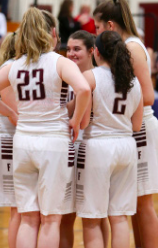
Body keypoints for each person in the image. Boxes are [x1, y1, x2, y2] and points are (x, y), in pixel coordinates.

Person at [0, 7, 91, 248]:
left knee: (27, 218)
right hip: (53, 142)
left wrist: (10, 112)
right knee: (50, 219)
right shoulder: (59, 61)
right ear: (49, 32)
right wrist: (75, 119)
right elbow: (83, 89)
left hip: (24, 142)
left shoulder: (14, 65)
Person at [93, 0, 158, 248]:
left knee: (144, 202)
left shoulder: (132, 47)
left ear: (110, 25)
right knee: (132, 202)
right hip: (129, 130)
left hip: (141, 128)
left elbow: (148, 96)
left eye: (98, 28)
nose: (96, 33)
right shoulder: (126, 46)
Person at [75, 30, 143, 248]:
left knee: (93, 219)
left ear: (95, 52)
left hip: (98, 146)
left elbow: (83, 123)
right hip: (126, 146)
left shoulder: (90, 76)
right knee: (120, 217)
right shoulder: (134, 81)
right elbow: (136, 125)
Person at [59, 30, 109, 248]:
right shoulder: (60, 75)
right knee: (65, 215)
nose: (71, 54)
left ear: (92, 51)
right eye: (68, 49)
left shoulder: (100, 77)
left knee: (96, 215)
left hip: (92, 149)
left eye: (77, 49)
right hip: (67, 149)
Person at [0, 31, 21, 248]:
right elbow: (14, 114)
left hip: (14, 140)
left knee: (22, 209)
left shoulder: (11, 67)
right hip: (9, 141)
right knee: (18, 209)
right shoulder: (10, 68)